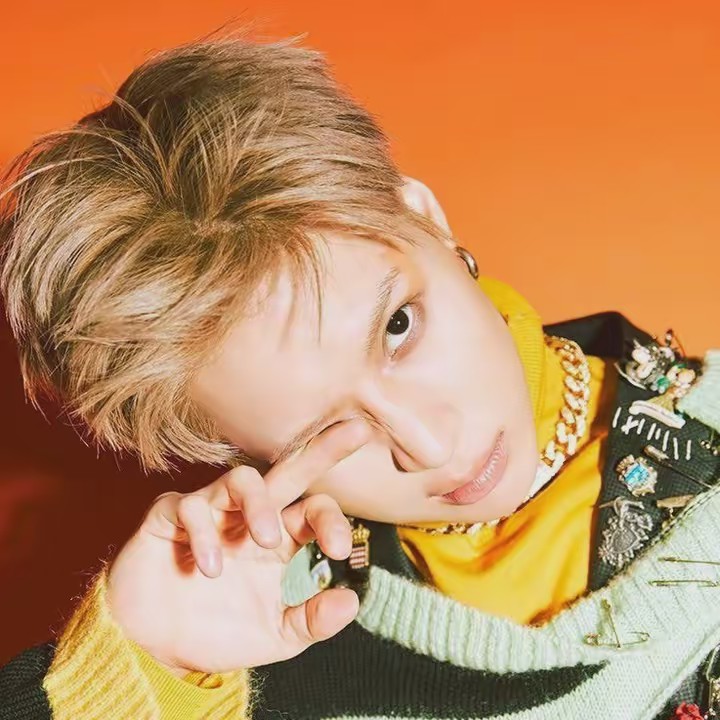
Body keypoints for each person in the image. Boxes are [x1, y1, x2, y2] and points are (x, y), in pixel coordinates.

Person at [0, 31, 719, 720]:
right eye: (323, 431)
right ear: (234, 448)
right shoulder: (261, 645)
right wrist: (137, 676)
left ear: (424, 217)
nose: (429, 444)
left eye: (399, 327)